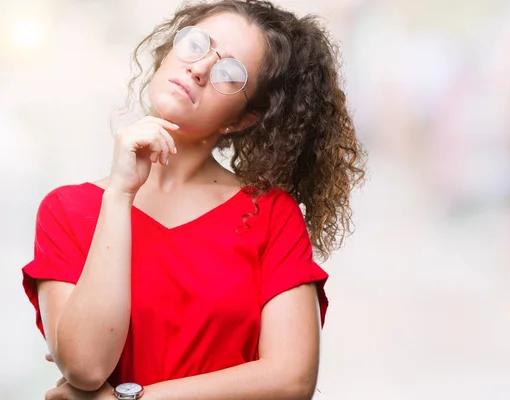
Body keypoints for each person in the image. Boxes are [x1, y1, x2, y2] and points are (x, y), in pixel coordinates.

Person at [21, 0, 366, 399]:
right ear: (169, 50)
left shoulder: (270, 215)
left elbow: (292, 380)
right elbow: (85, 366)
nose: (200, 68)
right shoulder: (67, 210)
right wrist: (119, 195)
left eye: (229, 73)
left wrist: (126, 399)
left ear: (240, 120)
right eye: (197, 44)